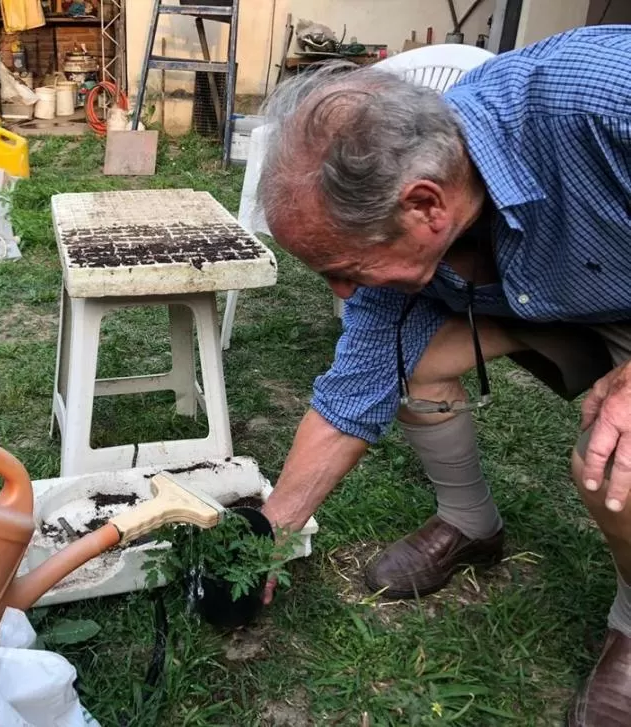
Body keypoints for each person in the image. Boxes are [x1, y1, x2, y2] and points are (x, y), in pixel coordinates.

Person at [255, 26, 631, 727]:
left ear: (426, 205)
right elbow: (350, 396)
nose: (341, 293)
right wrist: (273, 530)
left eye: (344, 268)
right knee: (414, 360)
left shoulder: (602, 98)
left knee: (616, 459)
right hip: (561, 294)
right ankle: (470, 523)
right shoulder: (401, 236)